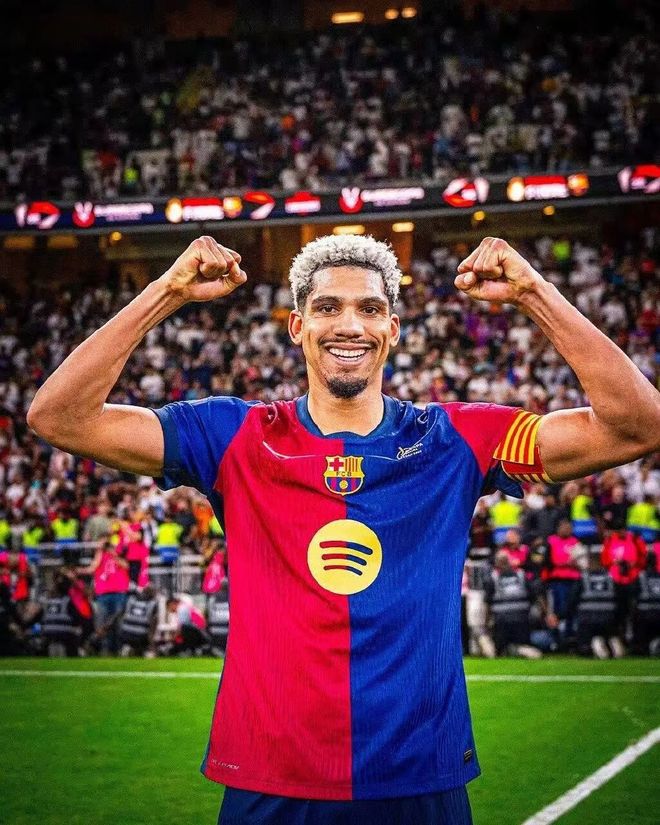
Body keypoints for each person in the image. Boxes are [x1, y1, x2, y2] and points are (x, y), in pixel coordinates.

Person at [27, 234, 660, 825]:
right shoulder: (233, 435)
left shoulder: (459, 438)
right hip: (270, 778)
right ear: (298, 327)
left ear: (393, 329)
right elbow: (59, 417)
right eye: (328, 307)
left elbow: (638, 425)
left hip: (419, 776)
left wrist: (534, 293)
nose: (350, 325)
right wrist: (165, 291)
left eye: (370, 309)